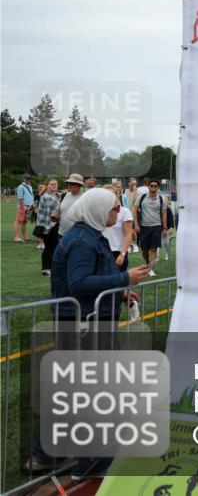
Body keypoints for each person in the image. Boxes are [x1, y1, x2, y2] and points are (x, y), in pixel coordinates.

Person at [48, 188, 150, 478]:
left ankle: (47, 454)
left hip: (91, 321)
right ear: (97, 210)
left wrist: (120, 292)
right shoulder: (82, 240)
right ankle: (91, 462)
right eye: (114, 209)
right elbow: (78, 283)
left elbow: (93, 278)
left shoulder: (91, 236)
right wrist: (124, 278)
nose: (118, 214)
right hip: (83, 324)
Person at [134, 179, 168, 277]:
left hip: (157, 226)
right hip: (144, 227)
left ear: (158, 188)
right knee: (144, 249)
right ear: (148, 187)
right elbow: (135, 210)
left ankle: (150, 269)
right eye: (151, 186)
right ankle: (147, 262)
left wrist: (165, 227)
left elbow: (164, 213)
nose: (153, 188)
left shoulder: (162, 199)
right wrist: (136, 225)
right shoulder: (141, 197)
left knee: (154, 248)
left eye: (155, 186)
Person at [102, 185, 133, 272]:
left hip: (118, 252)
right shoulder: (99, 211)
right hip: (101, 252)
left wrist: (122, 254)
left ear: (116, 196)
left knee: (118, 282)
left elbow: (128, 235)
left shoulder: (124, 212)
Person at [36, 179, 61, 277]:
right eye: (52, 184)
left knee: (54, 247)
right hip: (48, 225)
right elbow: (51, 213)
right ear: (47, 186)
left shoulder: (57, 195)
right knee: (49, 248)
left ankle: (51, 268)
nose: (54, 185)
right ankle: (46, 269)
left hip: (55, 225)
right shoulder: (46, 196)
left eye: (55, 184)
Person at [14, 173, 34, 243]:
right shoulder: (21, 187)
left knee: (24, 222)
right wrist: (22, 208)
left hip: (29, 206)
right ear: (23, 179)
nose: (28, 180)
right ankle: (16, 237)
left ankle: (24, 236)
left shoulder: (30, 186)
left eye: (29, 179)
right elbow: (20, 198)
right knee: (18, 221)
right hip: (23, 206)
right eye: (27, 178)